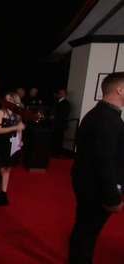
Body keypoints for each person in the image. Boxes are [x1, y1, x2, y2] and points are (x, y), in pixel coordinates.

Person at [69, 72, 124, 264]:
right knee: (87, 232)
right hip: (96, 190)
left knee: (84, 230)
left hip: (87, 184)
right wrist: (113, 198)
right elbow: (105, 163)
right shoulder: (108, 120)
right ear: (120, 89)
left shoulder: (99, 114)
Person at [0, 92, 25, 205]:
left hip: (13, 145)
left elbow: (20, 129)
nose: (7, 102)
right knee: (0, 169)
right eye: (6, 100)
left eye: (10, 100)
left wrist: (20, 140)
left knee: (7, 169)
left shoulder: (18, 114)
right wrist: (15, 127)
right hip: (0, 144)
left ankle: (3, 192)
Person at [50, 88, 70, 156]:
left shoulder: (66, 103)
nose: (60, 94)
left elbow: (64, 114)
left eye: (62, 93)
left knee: (58, 139)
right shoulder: (57, 101)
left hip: (60, 124)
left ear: (65, 94)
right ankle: (53, 152)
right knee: (54, 139)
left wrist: (54, 117)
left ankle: (57, 154)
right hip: (55, 124)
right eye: (60, 92)